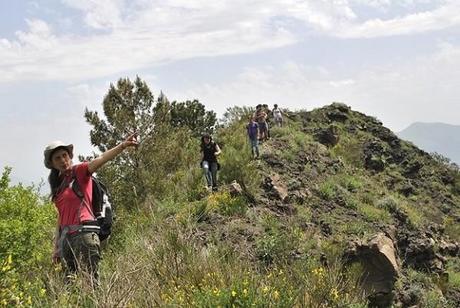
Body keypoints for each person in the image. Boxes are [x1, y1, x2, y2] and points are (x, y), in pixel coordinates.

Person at [44, 133, 138, 284]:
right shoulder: (58, 186)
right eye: (58, 158)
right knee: (70, 285)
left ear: (69, 156)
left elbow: (101, 159)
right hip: (66, 239)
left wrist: (122, 146)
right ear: (52, 164)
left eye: (64, 155)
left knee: (91, 283)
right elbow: (60, 218)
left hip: (85, 234)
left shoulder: (80, 172)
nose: (63, 160)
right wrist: (56, 247)